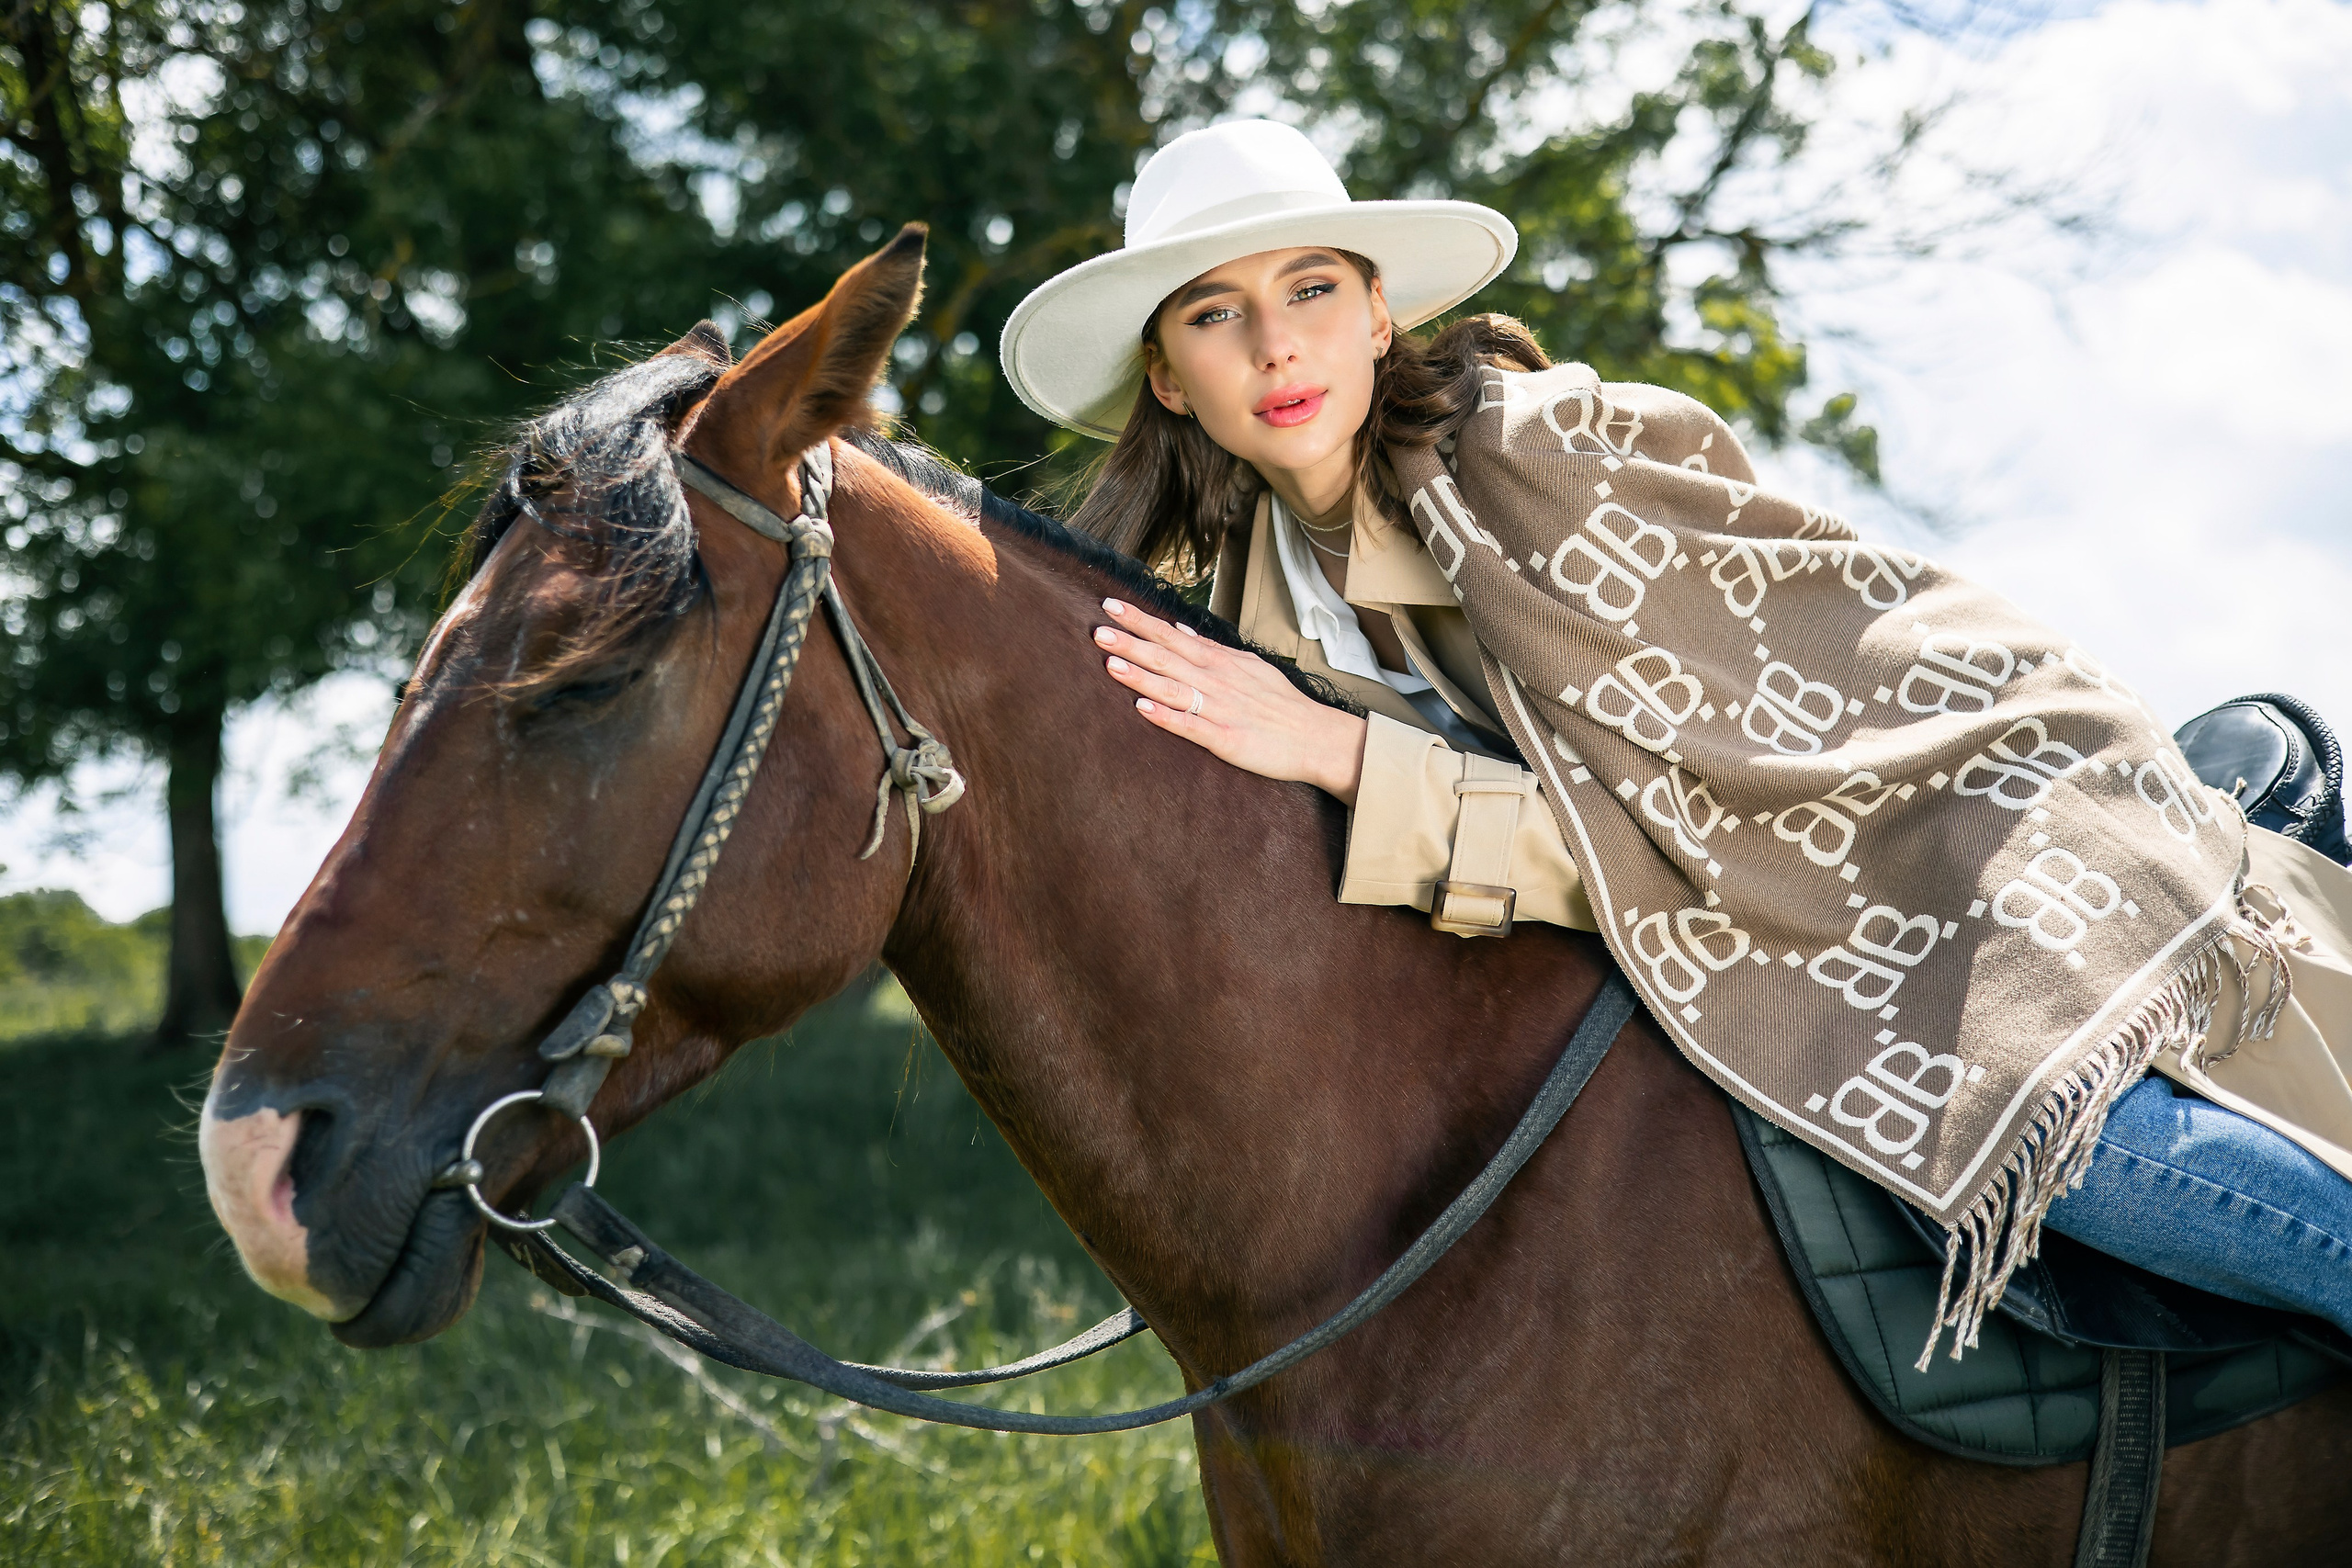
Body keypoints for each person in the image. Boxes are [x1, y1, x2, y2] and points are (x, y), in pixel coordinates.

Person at [997, 118, 2352, 1342]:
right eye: (1216, 315)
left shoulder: (1544, 457)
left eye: (1310, 292)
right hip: (1718, 895)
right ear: (1170, 378)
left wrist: (1341, 756)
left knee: (2056, 1140)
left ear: (1376, 316)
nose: (1275, 346)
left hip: (1929, 818)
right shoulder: (1240, 602)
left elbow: (1664, 829)